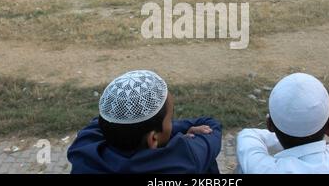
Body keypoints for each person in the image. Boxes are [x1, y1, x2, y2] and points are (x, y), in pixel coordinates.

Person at [68, 70, 222, 174]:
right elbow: (211, 126)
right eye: (170, 119)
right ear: (153, 138)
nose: (172, 123)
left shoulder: (82, 150)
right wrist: (180, 133)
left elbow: (104, 120)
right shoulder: (183, 158)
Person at [237, 73, 329, 174]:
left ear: (269, 125)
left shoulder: (264, 169)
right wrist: (308, 135)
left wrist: (292, 129)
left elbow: (247, 136)